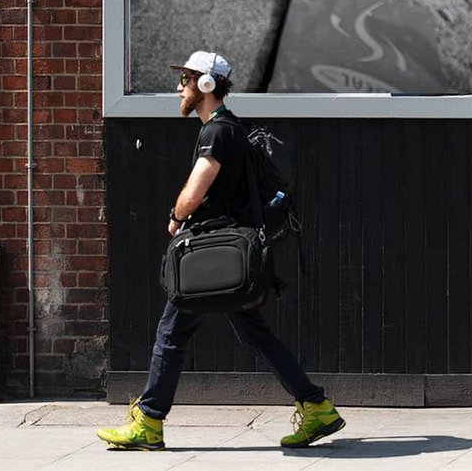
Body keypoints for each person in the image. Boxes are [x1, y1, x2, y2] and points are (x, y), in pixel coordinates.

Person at [96, 52, 345, 452]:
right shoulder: (229, 129)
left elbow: (196, 190)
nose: (179, 88)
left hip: (212, 256)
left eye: (187, 80)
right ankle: (317, 407)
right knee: (256, 335)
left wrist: (176, 217)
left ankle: (148, 423)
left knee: (170, 334)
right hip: (228, 258)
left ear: (207, 85)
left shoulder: (217, 132)